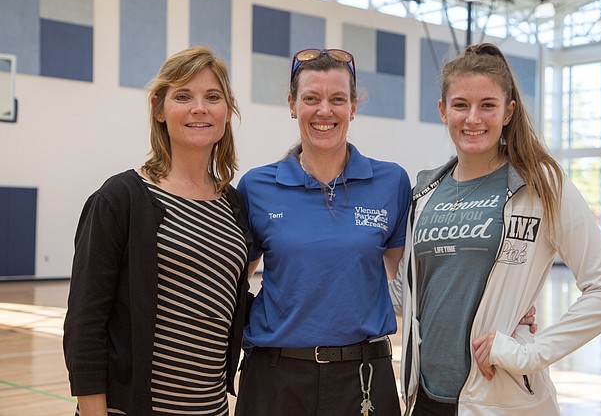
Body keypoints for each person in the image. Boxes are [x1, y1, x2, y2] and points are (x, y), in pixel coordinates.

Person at [392, 42, 601, 415]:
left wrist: (529, 353)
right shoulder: (424, 193)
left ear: (508, 112)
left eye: (487, 105)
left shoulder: (542, 185)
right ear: (443, 111)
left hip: (499, 399)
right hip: (424, 397)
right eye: (460, 105)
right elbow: (405, 294)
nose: (473, 118)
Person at [63, 46, 252, 416]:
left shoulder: (234, 203)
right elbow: (85, 320)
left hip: (211, 408)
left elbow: (230, 300)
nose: (199, 108)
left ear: (227, 112)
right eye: (183, 96)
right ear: (158, 108)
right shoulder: (120, 198)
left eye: (212, 97)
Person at [233, 48, 411, 416]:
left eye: (338, 99)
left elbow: (413, 282)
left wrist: (500, 309)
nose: (324, 111)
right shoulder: (257, 187)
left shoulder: (391, 181)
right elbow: (233, 283)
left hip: (363, 378)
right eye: (311, 98)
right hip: (275, 376)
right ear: (293, 105)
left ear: (353, 107)